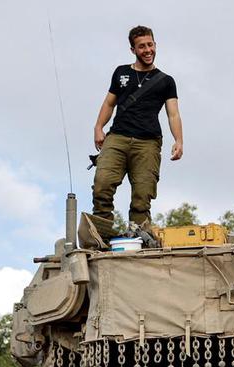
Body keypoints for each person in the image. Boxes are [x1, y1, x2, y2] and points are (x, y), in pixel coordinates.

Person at [91, 25, 183, 236]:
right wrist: (98, 127)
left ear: (156, 45)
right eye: (141, 46)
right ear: (133, 49)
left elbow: (173, 114)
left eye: (150, 45)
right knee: (102, 185)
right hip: (117, 137)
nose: (147, 50)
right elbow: (108, 103)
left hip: (148, 143)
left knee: (142, 195)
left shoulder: (166, 81)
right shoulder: (121, 72)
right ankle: (101, 237)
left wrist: (178, 140)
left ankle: (138, 238)